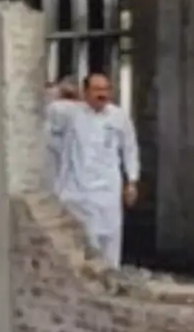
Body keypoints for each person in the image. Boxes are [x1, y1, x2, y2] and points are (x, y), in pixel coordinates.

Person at [53, 73, 140, 268]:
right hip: (78, 189)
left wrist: (132, 181)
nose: (103, 94)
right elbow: (44, 106)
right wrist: (62, 91)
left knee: (110, 236)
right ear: (85, 92)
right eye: (97, 90)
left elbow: (129, 148)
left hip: (108, 188)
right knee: (83, 239)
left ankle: (110, 275)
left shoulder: (118, 116)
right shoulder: (71, 113)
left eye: (106, 89)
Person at [44, 76, 81, 193]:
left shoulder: (54, 106)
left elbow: (50, 123)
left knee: (56, 167)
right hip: (72, 140)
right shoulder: (79, 107)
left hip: (55, 139)